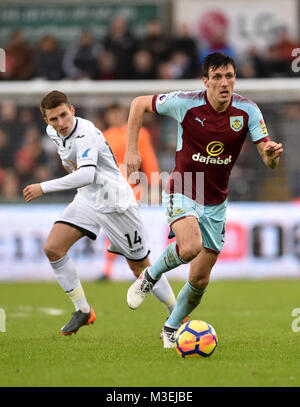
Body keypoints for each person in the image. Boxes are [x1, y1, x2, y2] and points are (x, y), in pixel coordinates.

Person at [125, 52, 284, 348]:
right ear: (206, 80)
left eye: (230, 76)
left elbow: (268, 159)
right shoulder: (186, 102)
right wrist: (131, 150)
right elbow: (138, 104)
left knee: (199, 281)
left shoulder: (248, 111)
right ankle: (150, 276)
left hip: (216, 201)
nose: (225, 83)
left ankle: (171, 329)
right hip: (183, 187)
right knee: (190, 246)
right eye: (218, 77)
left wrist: (271, 156)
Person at [23, 91, 176, 335]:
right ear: (46, 121)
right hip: (88, 199)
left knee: (139, 268)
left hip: (115, 203)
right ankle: (83, 310)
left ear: (72, 110)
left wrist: (43, 187)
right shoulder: (52, 133)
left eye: (64, 115)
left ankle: (178, 314)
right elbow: (73, 166)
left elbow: (86, 174)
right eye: (54, 119)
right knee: (53, 248)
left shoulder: (86, 134)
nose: (61, 123)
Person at [100, 103, 160, 280]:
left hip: (133, 190)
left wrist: (154, 185)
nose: (115, 117)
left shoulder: (138, 134)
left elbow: (148, 159)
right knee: (115, 231)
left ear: (124, 114)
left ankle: (130, 270)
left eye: (118, 113)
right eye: (112, 114)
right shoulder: (104, 137)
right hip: (109, 191)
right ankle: (117, 270)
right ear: (108, 117)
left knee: (129, 231)